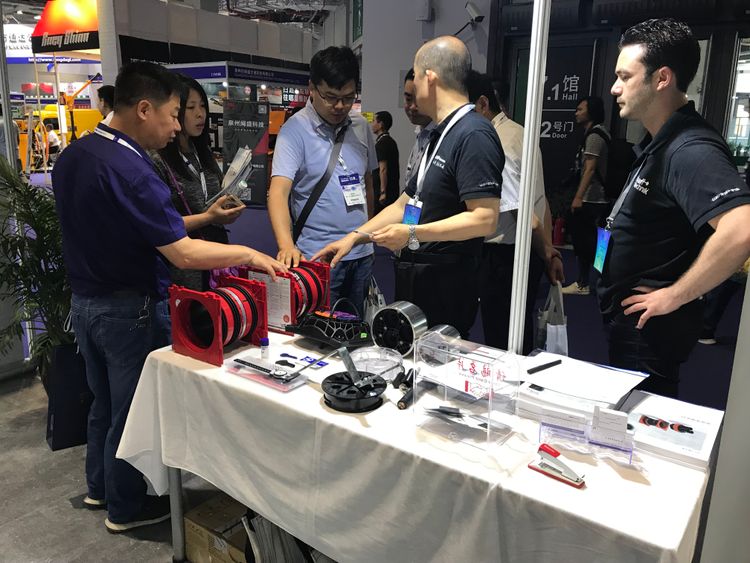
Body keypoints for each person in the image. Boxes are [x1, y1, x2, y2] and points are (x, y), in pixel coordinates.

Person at [52, 61, 285, 533]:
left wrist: (207, 219)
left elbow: (152, 225)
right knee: (129, 411)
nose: (178, 126)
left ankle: (100, 488)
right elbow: (180, 252)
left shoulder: (78, 154)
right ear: (144, 109)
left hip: (85, 304)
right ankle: (125, 507)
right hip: (128, 310)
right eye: (174, 114)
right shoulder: (134, 169)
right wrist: (247, 252)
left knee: (103, 404)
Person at [313, 36, 504, 338]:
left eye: (415, 75)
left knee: (437, 357)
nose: (412, 86)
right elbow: (404, 203)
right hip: (418, 276)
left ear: (430, 78)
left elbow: (484, 218)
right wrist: (354, 237)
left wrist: (413, 233)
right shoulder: (440, 133)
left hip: (447, 282)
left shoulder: (474, 133)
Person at [600, 19, 750, 397]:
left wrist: (675, 295)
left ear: (662, 78)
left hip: (649, 330)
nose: (615, 88)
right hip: (633, 322)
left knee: (641, 424)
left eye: (625, 76)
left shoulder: (690, 148)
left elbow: (742, 228)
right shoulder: (662, 142)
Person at [268, 46, 377, 317]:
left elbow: (367, 183)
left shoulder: (361, 127)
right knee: (318, 332)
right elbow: (278, 193)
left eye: (348, 98)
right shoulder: (294, 131)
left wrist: (368, 233)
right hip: (318, 258)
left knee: (358, 329)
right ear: (312, 89)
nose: (339, 106)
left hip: (361, 253)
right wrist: (286, 245)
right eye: (331, 97)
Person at [466, 70, 564, 353]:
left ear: (483, 104)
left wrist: (547, 253)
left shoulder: (496, 142)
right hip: (524, 251)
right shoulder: (520, 133)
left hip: (505, 256)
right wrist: (549, 250)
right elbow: (540, 201)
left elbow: (524, 215)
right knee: (518, 331)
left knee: (503, 339)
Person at [151, 75, 245, 291]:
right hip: (184, 271)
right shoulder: (159, 160)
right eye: (191, 107)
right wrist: (209, 217)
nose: (200, 113)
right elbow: (160, 225)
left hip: (216, 261)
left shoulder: (202, 152)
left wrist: (227, 209)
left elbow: (212, 200)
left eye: (203, 106)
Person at [562, 96, 610, 296]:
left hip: (592, 198)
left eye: (580, 109)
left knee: (585, 241)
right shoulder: (598, 133)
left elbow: (589, 169)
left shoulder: (595, 136)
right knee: (600, 240)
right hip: (599, 198)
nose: (577, 113)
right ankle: (599, 282)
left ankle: (584, 282)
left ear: (591, 112)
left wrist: (578, 197)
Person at [402, 68, 436, 189]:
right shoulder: (421, 132)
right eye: (408, 99)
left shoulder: (443, 137)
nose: (412, 107)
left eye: (420, 100)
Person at [371, 110, 400, 211]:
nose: (372, 124)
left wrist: (382, 192)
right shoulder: (390, 141)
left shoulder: (382, 143)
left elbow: (383, 169)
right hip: (392, 190)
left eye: (374, 121)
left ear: (380, 124)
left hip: (383, 193)